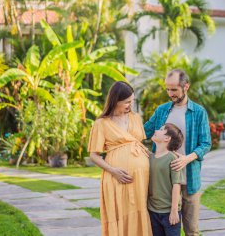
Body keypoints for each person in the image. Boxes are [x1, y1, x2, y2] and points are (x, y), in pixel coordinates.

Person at [144, 69, 212, 236]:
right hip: (163, 182)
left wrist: (187, 159)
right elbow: (143, 132)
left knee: (191, 230)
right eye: (167, 89)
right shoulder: (161, 110)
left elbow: (205, 143)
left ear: (186, 86)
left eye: (174, 89)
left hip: (189, 177)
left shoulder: (198, 112)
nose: (170, 93)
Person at [88, 81, 152, 236]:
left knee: (140, 209)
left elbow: (140, 144)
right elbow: (94, 155)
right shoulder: (101, 123)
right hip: (117, 178)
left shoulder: (135, 118)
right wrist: (114, 171)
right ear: (115, 101)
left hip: (141, 178)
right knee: (120, 213)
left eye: (132, 101)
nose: (130, 105)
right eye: (127, 102)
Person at [148, 123, 184, 236]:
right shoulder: (150, 157)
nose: (157, 130)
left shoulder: (172, 158)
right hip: (153, 211)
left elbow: (176, 185)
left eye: (161, 129)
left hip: (169, 212)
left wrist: (174, 211)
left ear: (167, 138)